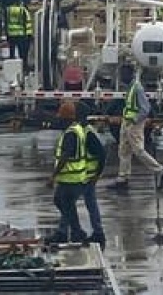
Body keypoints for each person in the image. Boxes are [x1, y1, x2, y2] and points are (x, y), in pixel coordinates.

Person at [107, 65, 163, 191]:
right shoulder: (130, 87)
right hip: (127, 122)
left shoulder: (137, 88)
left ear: (129, 75)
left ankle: (161, 171)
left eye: (123, 74)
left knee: (138, 151)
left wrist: (135, 120)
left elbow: (145, 108)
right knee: (124, 150)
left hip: (133, 124)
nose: (121, 77)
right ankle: (122, 178)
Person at [54, 102, 107, 247]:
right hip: (84, 174)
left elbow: (102, 154)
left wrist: (97, 174)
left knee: (69, 203)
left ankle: (71, 232)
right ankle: (71, 231)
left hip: (85, 176)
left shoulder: (85, 132)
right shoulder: (81, 130)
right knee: (70, 203)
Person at [44, 105, 89, 245]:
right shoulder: (77, 130)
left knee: (65, 203)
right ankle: (73, 232)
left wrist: (53, 175)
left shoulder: (70, 133)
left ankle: (70, 232)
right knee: (63, 203)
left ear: (65, 119)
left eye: (60, 118)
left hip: (70, 177)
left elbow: (66, 155)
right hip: (74, 176)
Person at [5, 0, 32, 70]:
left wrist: (6, 33)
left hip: (11, 34)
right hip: (21, 34)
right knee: (22, 52)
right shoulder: (22, 10)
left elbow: (5, 22)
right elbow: (28, 22)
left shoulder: (8, 10)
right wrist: (29, 34)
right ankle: (23, 66)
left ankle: (12, 67)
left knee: (12, 52)